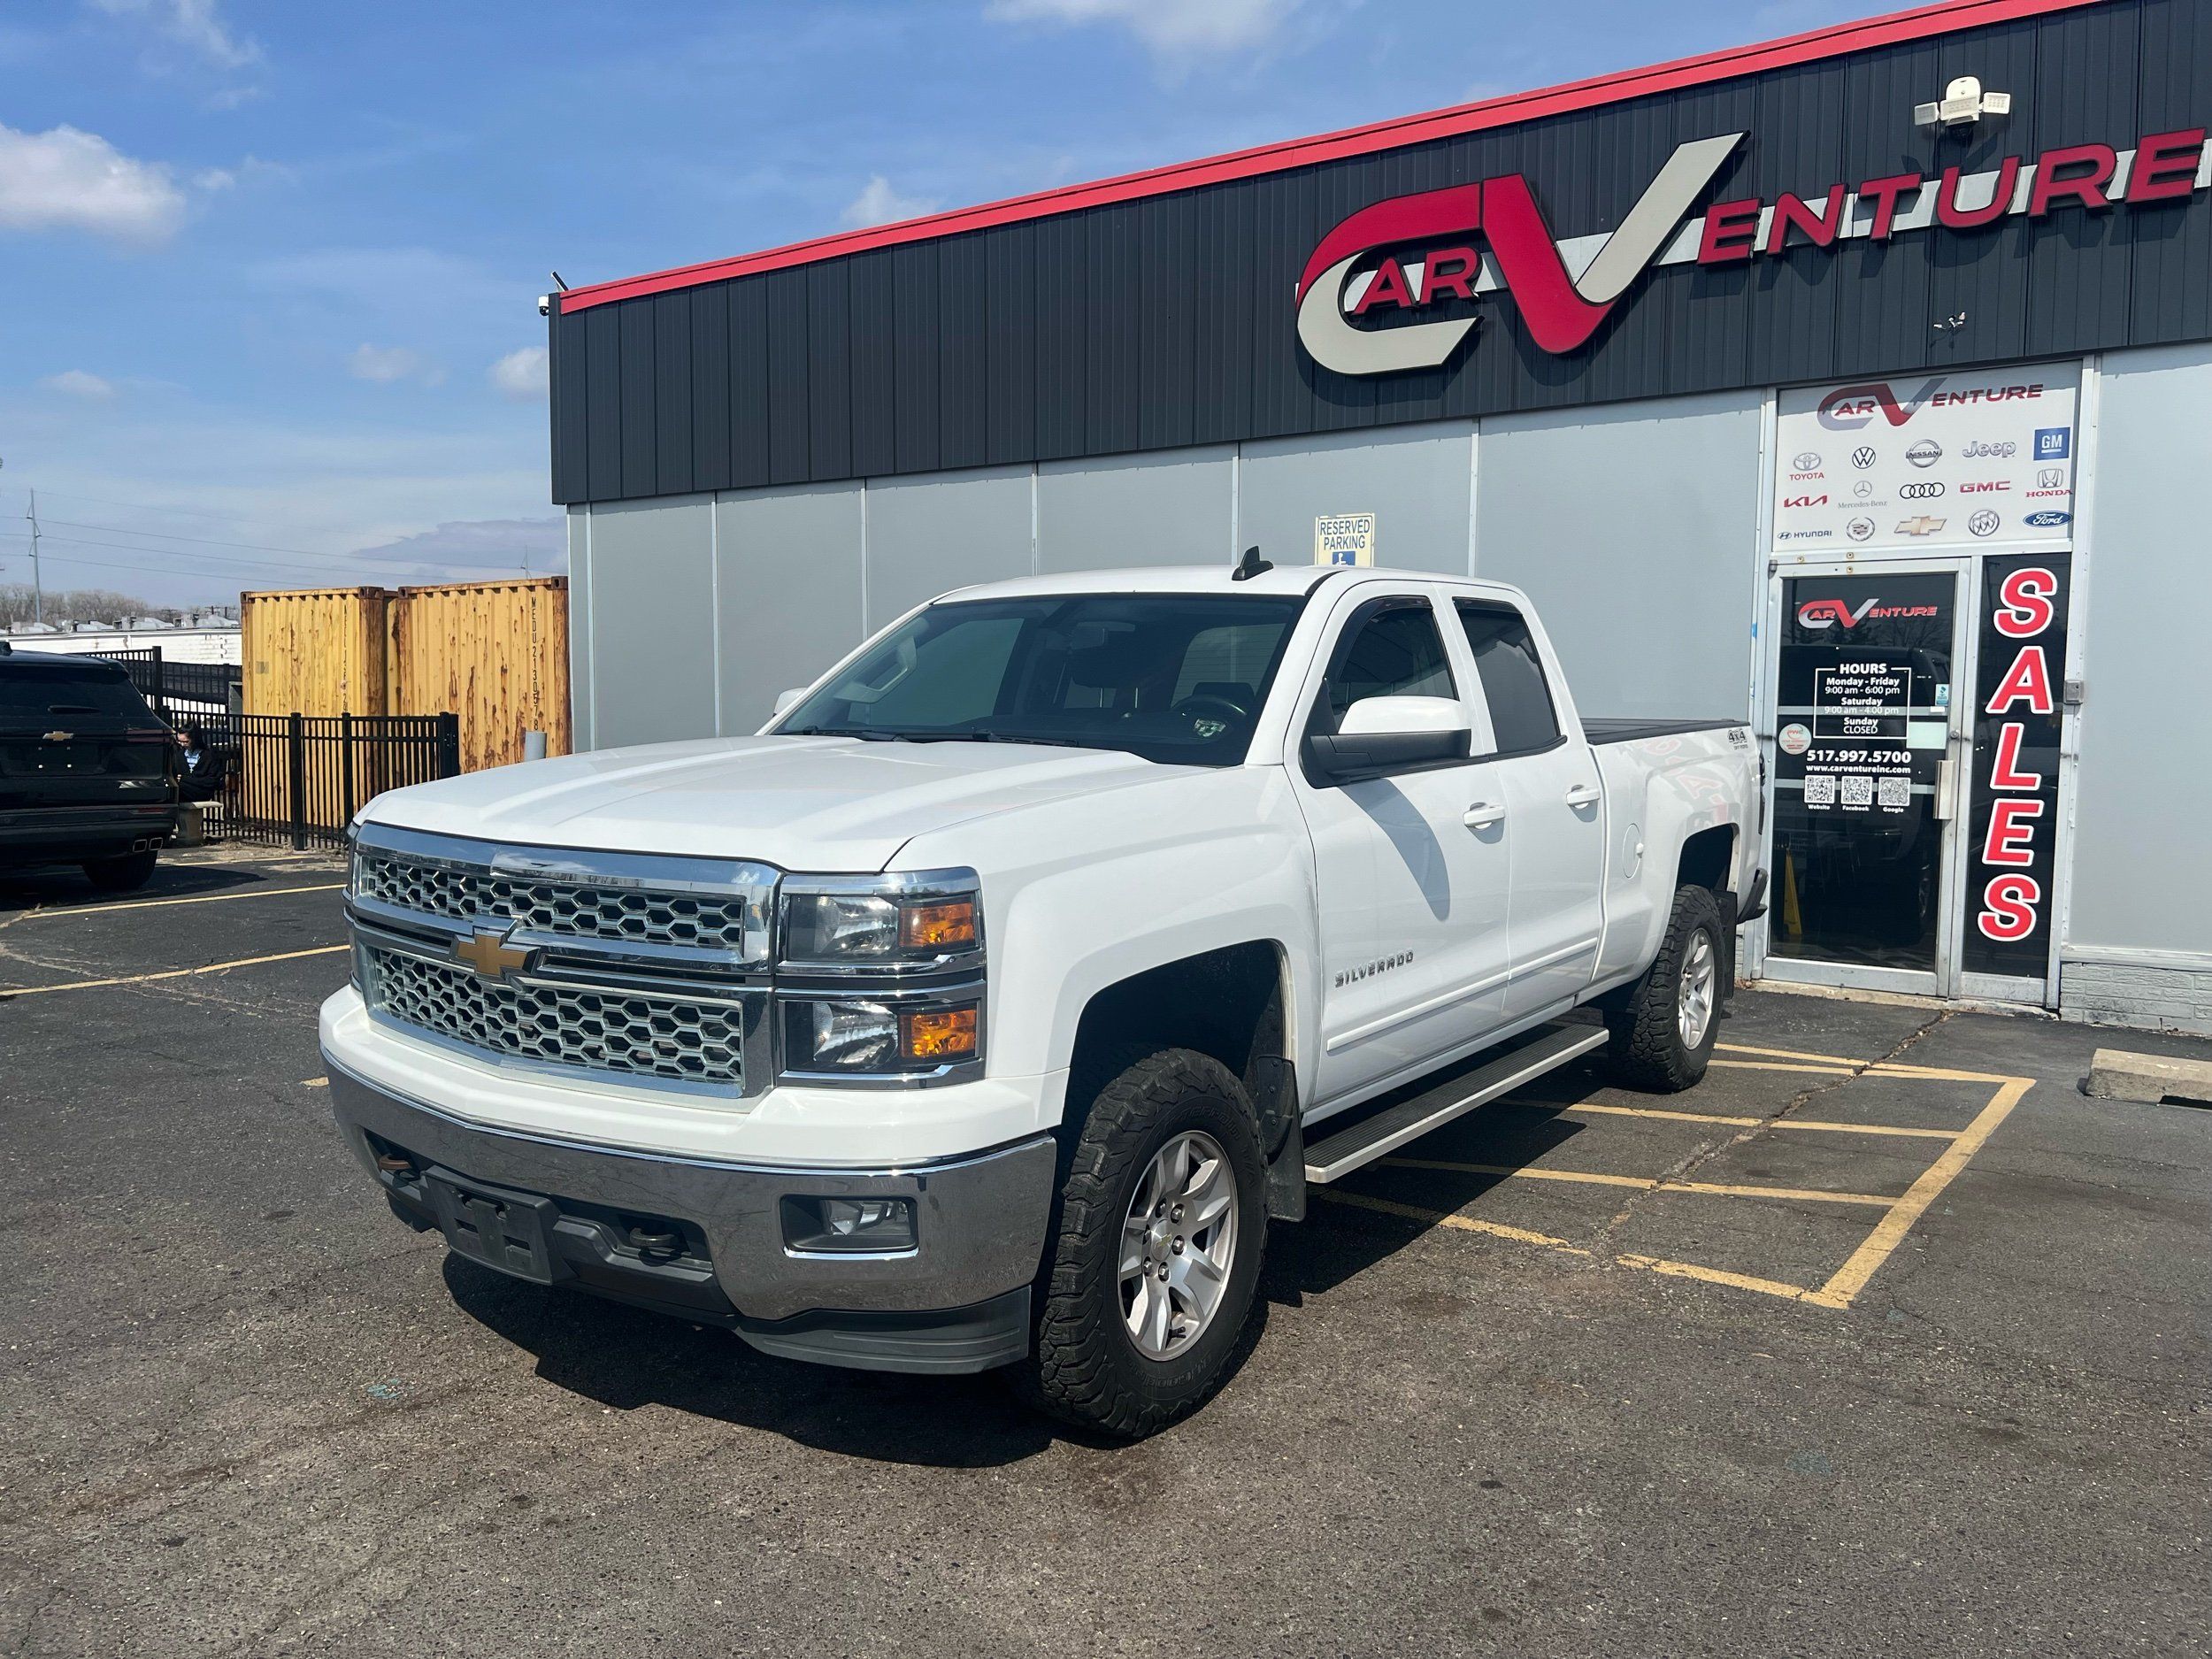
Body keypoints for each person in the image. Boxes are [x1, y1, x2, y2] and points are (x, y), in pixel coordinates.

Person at [178, 724, 227, 803]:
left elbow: (213, 781)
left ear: (194, 739)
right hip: (184, 792)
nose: (182, 745)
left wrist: (185, 779)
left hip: (202, 792)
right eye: (180, 741)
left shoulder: (209, 756)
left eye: (186, 742)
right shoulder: (179, 755)